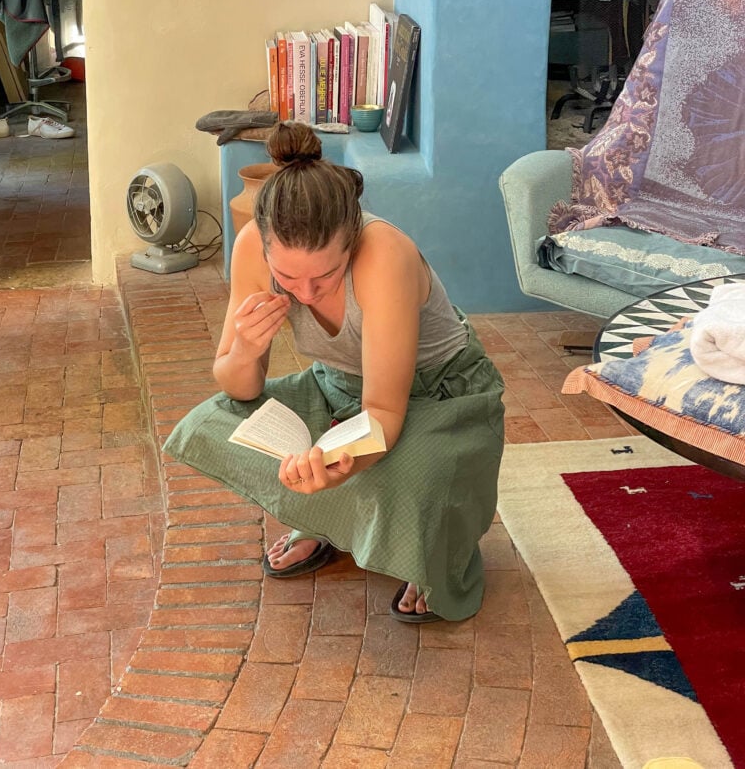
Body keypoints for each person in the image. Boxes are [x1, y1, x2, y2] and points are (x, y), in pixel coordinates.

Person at [163, 122, 505, 622]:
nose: (304, 294)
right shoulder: (252, 246)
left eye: (324, 276)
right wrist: (245, 350)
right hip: (340, 388)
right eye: (287, 278)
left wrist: (336, 466)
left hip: (439, 395)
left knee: (402, 477)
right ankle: (325, 522)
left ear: (350, 243)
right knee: (217, 424)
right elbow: (238, 385)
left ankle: (439, 553)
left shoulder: (384, 253)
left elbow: (385, 410)